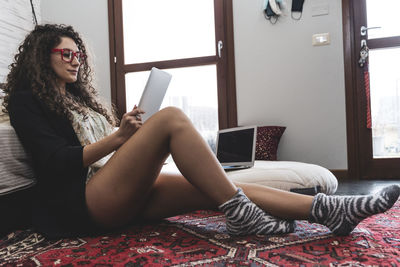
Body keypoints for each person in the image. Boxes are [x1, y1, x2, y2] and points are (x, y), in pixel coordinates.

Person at [2, 24, 399, 239]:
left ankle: (330, 212)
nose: (76, 61)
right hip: (84, 203)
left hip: (114, 185)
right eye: (66, 54)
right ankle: (243, 216)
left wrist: (126, 134)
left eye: (79, 54)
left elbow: (107, 151)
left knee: (218, 192)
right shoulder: (25, 101)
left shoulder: (81, 100)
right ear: (42, 56)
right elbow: (55, 163)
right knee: (172, 117)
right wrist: (120, 138)